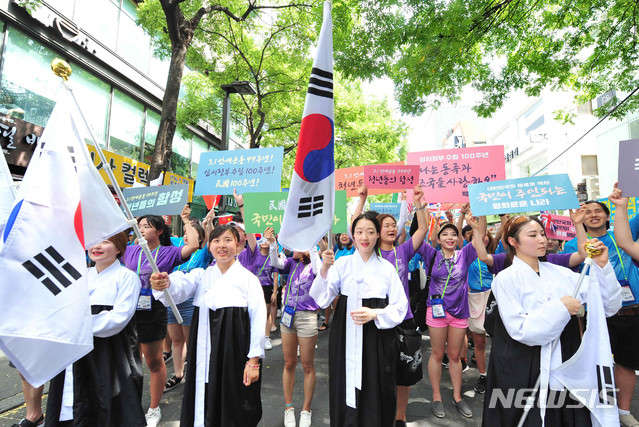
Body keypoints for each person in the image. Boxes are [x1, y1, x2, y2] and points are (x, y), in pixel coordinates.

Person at [482, 215, 622, 426]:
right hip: (522, 365)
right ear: (513, 241)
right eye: (533, 235)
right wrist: (561, 309)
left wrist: (602, 267)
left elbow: (609, 304)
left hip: (565, 361)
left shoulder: (562, 274)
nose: (542, 240)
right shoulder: (506, 278)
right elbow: (521, 330)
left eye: (542, 234)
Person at [150, 224, 266, 426]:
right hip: (204, 352)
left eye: (228, 240)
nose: (222, 246)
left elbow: (258, 321)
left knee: (235, 399)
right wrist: (164, 283)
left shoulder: (249, 280)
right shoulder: (201, 275)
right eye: (216, 241)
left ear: (238, 245)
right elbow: (178, 288)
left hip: (234, 352)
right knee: (203, 399)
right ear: (209, 246)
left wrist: (254, 360)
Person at [310, 211, 408, 426]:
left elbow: (401, 306)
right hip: (346, 333)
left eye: (371, 232)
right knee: (345, 383)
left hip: (378, 338)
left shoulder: (387, 268)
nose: (365, 237)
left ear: (377, 235)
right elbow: (322, 299)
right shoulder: (342, 264)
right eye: (360, 231)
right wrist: (325, 266)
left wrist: (376, 314)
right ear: (352, 235)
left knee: (377, 383)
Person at [45, 232, 145, 426]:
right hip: (76, 350)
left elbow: (118, 319)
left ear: (119, 248)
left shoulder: (127, 277)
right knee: (74, 399)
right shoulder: (80, 276)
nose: (97, 247)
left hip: (110, 352)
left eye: (105, 242)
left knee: (108, 404)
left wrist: (78, 324)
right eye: (93, 242)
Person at [353, 185, 428, 427]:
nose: (392, 227)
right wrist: (361, 200)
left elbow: (423, 229)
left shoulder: (403, 251)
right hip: (375, 320)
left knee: (404, 372)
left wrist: (418, 203)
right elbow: (356, 228)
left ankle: (400, 417)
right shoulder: (367, 255)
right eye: (386, 225)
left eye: (394, 224)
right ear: (375, 232)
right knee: (380, 372)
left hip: (403, 320)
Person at [121, 207, 199, 427]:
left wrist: (185, 220)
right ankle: (130, 404)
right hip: (128, 312)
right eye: (140, 226)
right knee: (128, 363)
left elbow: (193, 245)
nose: (142, 229)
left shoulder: (167, 252)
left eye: (147, 226)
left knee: (153, 361)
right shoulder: (129, 251)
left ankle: (154, 408)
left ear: (159, 230)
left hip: (152, 313)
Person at [417, 215, 481, 419]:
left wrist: (475, 225)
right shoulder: (431, 254)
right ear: (439, 237)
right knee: (437, 355)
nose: (450, 237)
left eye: (454, 234)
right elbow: (418, 236)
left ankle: (457, 396)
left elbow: (480, 240)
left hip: (459, 313)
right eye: (445, 234)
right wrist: (421, 209)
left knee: (454, 356)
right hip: (436, 313)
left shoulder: (465, 254)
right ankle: (437, 397)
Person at [267, 229, 321, 427]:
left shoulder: (315, 264)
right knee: (289, 363)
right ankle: (288, 408)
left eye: (298, 245)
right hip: (288, 318)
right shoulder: (290, 263)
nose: (292, 248)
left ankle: (306, 409)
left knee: (307, 365)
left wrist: (313, 246)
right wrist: (273, 243)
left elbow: (318, 270)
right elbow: (275, 263)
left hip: (307, 318)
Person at [164, 221, 212, 392]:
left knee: (192, 342)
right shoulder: (176, 251)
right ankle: (178, 374)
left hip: (190, 303)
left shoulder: (202, 253)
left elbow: (210, 237)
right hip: (171, 301)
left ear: (200, 238)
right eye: (184, 232)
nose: (186, 235)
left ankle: (195, 374)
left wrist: (208, 223)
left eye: (190, 232)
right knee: (176, 340)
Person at [607, 185, 639, 427]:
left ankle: (623, 410)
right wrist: (621, 205)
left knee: (627, 363)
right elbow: (626, 241)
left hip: (633, 311)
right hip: (605, 312)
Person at [466, 229, 497, 395]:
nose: (482, 238)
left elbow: (504, 238)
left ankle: (497, 374)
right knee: (479, 342)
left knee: (497, 340)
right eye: (477, 236)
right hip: (474, 299)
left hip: (493, 299)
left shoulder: (496, 255)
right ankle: (483, 375)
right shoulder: (467, 255)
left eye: (485, 235)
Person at [248, 228, 279, 350]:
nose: (264, 242)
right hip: (254, 286)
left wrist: (275, 292)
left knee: (266, 313)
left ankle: (266, 337)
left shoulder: (273, 257)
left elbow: (275, 276)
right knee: (253, 311)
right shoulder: (254, 255)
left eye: (267, 240)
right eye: (262, 239)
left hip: (267, 287)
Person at [319, 233, 355, 331]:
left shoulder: (353, 249)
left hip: (347, 283)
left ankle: (338, 325)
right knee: (330, 301)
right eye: (342, 234)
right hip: (334, 280)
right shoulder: (335, 248)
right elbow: (329, 238)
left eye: (346, 235)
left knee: (339, 305)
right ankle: (328, 322)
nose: (344, 236)